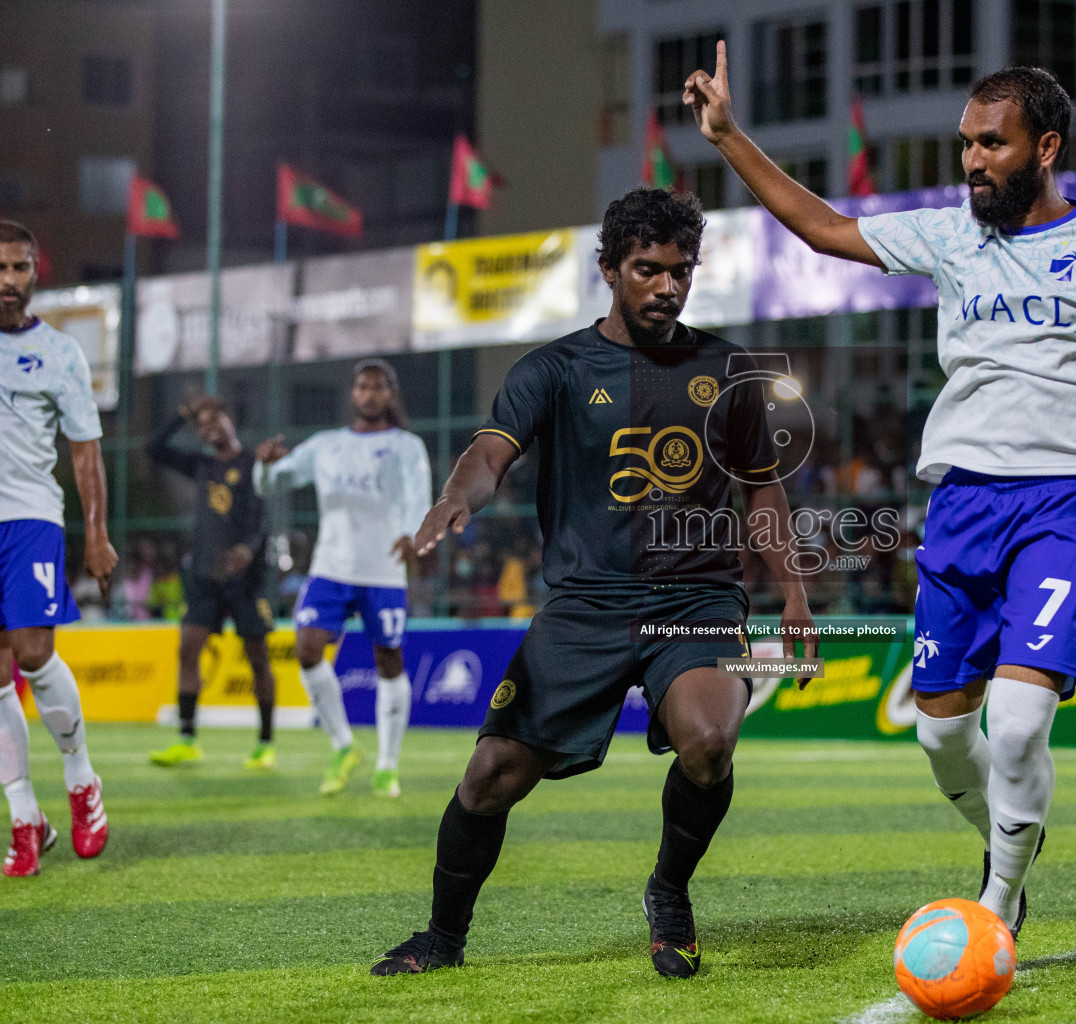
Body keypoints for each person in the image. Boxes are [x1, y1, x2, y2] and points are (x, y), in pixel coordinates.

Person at [685, 48, 1076, 933]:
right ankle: (1010, 844)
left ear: (1047, 146)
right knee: (943, 735)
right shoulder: (951, 236)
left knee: (1019, 726)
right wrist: (727, 138)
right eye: (966, 145)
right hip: (961, 505)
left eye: (993, 144)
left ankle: (998, 904)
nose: (973, 161)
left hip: (1065, 502)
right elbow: (824, 227)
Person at [370, 188, 817, 980]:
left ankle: (669, 893)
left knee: (710, 742)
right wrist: (452, 499)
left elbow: (763, 487)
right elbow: (489, 454)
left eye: (681, 272)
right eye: (648, 270)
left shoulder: (728, 368)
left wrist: (793, 590)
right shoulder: (554, 369)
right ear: (609, 270)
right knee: (490, 776)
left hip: (698, 600)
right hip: (587, 604)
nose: (667, 287)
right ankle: (441, 936)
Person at [254, 360, 431, 798]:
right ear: (353, 394)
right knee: (307, 648)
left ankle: (388, 765)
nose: (370, 393)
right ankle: (344, 745)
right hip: (331, 567)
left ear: (390, 394)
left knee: (389, 660)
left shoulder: (406, 445)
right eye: (363, 386)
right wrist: (263, 466)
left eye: (379, 387)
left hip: (383, 569)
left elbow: (419, 497)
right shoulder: (325, 445)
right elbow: (272, 485)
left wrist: (415, 537)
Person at [0, 220, 117, 877]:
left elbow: (85, 451)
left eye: (19, 268)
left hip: (29, 518)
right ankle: (25, 819)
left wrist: (96, 532)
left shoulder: (63, 354)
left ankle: (81, 779)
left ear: (35, 272)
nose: (8, 281)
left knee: (34, 651)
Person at [146, 398, 277, 769]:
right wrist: (181, 414)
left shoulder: (252, 463)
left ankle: (265, 743)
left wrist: (249, 550)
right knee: (188, 650)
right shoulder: (201, 465)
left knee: (257, 659)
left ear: (229, 419)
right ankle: (187, 738)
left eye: (214, 418)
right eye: (201, 424)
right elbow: (153, 449)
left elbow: (263, 514)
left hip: (247, 579)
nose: (208, 427)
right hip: (206, 576)